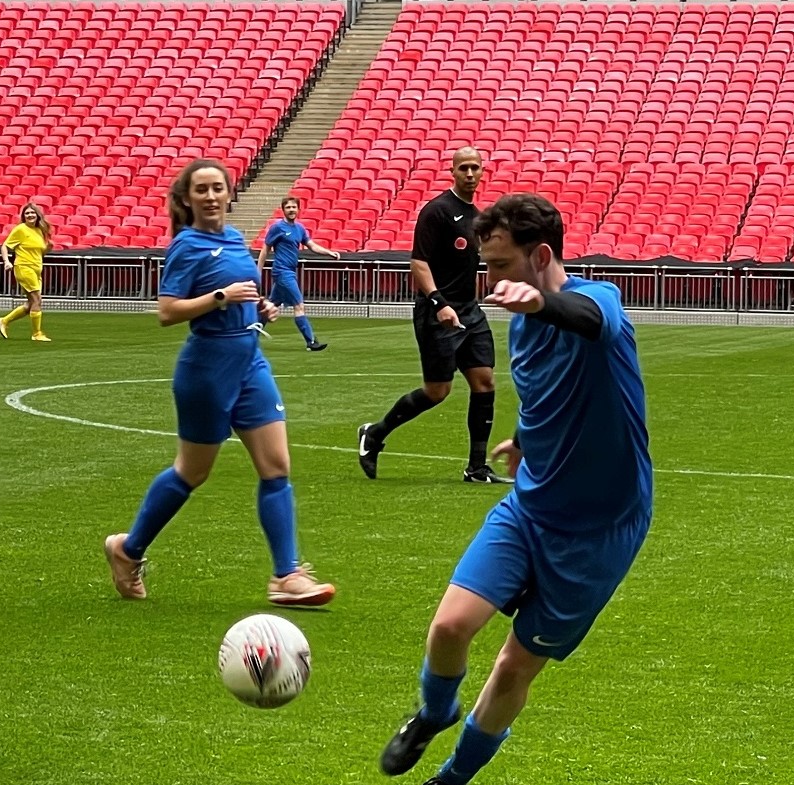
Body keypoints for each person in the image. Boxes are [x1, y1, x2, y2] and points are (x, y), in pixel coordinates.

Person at [378, 194, 652, 785]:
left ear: (543, 256)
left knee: (513, 665)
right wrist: (524, 440)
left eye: (501, 266)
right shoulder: (520, 325)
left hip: (599, 532)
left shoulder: (597, 302)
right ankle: (435, 711)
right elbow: (550, 392)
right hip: (530, 508)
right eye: (485, 266)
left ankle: (451, 781)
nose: (490, 281)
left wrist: (542, 301)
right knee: (449, 627)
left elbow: (585, 318)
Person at [103, 159, 335, 608]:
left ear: (230, 194)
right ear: (187, 199)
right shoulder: (186, 246)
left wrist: (260, 307)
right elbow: (168, 312)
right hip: (207, 369)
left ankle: (286, 575)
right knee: (192, 472)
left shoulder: (233, 239)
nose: (211, 197)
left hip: (250, 360)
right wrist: (221, 298)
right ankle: (127, 550)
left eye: (218, 189)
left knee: (277, 467)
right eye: (202, 190)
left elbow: (241, 292)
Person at [357, 146, 508, 484]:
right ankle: (375, 433)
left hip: (469, 310)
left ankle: (477, 468)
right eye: (464, 168)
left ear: (483, 171)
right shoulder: (437, 211)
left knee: (485, 382)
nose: (470, 174)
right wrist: (440, 303)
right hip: (436, 311)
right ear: (452, 172)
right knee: (438, 391)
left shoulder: (477, 217)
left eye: (475, 168)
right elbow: (419, 263)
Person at [257, 195, 339, 352]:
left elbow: (312, 245)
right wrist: (258, 270)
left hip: (289, 272)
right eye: (288, 207)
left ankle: (248, 337)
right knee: (299, 305)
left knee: (270, 306)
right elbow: (265, 249)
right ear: (283, 210)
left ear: (298, 209)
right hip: (282, 272)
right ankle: (311, 341)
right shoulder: (277, 228)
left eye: (294, 207)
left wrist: (329, 252)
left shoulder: (300, 228)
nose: (291, 210)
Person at [0, 202, 53, 341]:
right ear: (23, 216)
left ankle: (4, 320)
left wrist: (48, 248)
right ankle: (36, 333)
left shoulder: (39, 230)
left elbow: (40, 253)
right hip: (24, 267)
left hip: (36, 268)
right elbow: (5, 246)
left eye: (32, 213)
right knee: (37, 299)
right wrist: (6, 262)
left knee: (30, 304)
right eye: (27, 213)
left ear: (37, 215)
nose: (30, 215)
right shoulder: (20, 229)